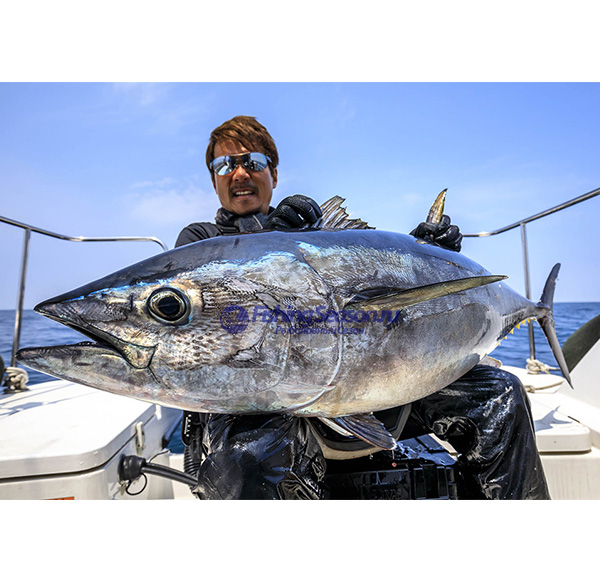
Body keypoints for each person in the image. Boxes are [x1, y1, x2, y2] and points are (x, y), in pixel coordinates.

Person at [175, 115, 550, 500]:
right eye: (224, 164)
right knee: (249, 457)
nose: (239, 173)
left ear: (273, 172)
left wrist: (427, 257)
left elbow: (377, 283)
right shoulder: (198, 244)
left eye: (252, 161)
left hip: (377, 389)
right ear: (213, 178)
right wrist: (274, 239)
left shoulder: (316, 232)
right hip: (264, 407)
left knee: (501, 393)